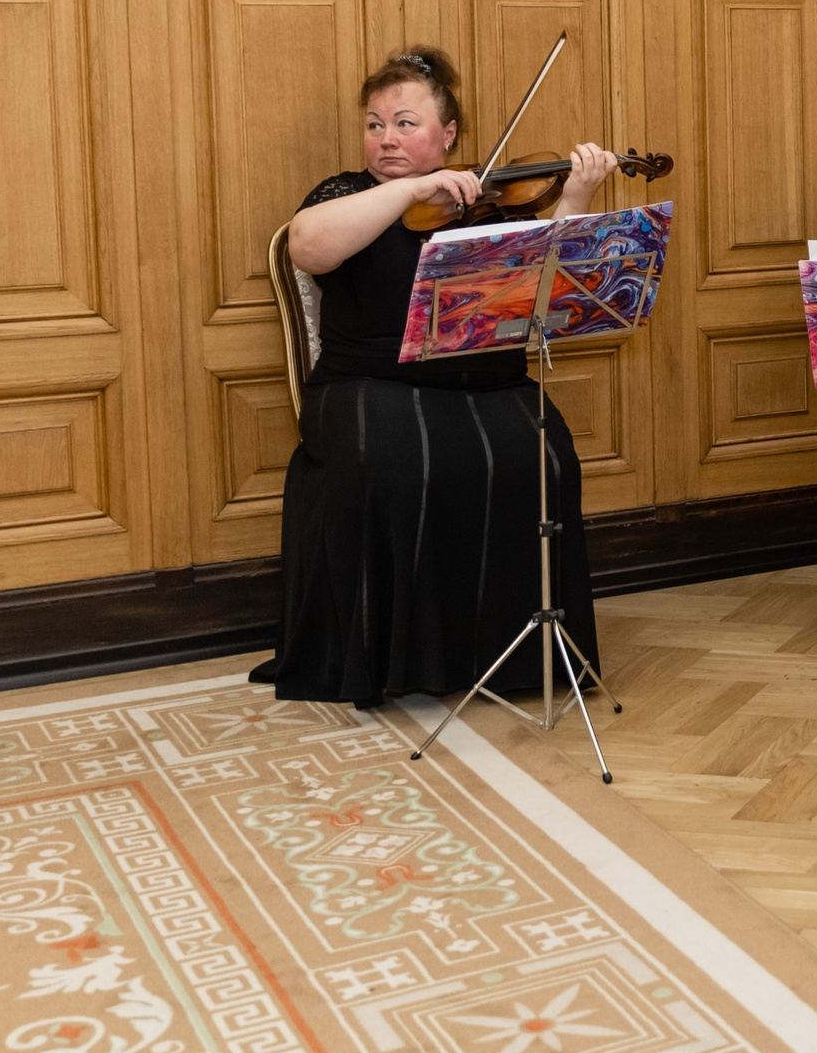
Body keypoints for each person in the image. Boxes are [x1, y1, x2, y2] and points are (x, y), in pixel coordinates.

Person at [250, 47, 620, 709]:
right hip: (369, 386)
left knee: (544, 450)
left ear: (448, 134)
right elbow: (307, 244)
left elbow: (545, 282)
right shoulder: (348, 193)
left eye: (404, 123)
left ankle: (512, 651)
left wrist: (577, 194)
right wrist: (408, 189)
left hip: (487, 385)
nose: (386, 138)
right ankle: (390, 658)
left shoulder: (485, 203)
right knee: (391, 454)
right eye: (375, 124)